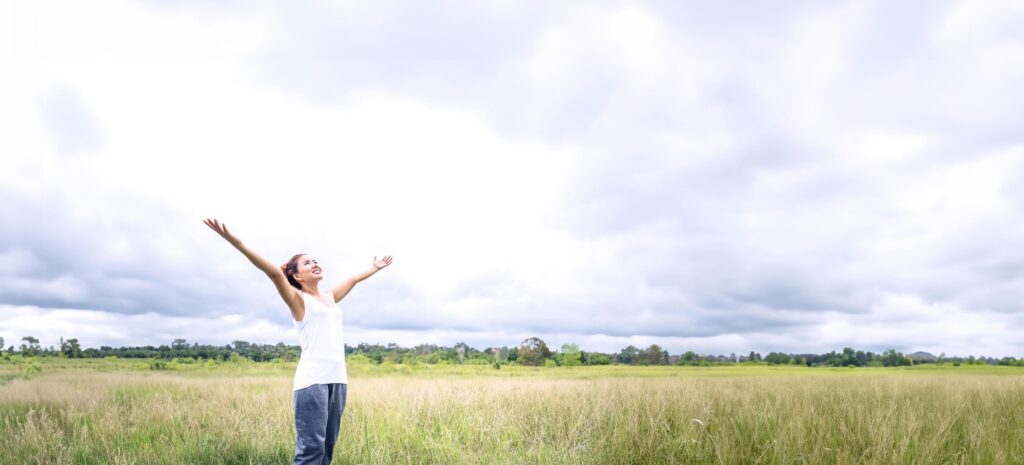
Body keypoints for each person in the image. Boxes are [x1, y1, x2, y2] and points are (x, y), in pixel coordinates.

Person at [203, 218, 392, 465]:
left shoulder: (329, 298)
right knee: (311, 450)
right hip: (312, 382)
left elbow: (354, 279)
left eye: (315, 260)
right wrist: (235, 242)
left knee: (326, 450)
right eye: (306, 262)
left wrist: (375, 268)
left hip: (337, 380)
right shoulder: (298, 300)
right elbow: (272, 272)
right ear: (296, 275)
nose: (314, 263)